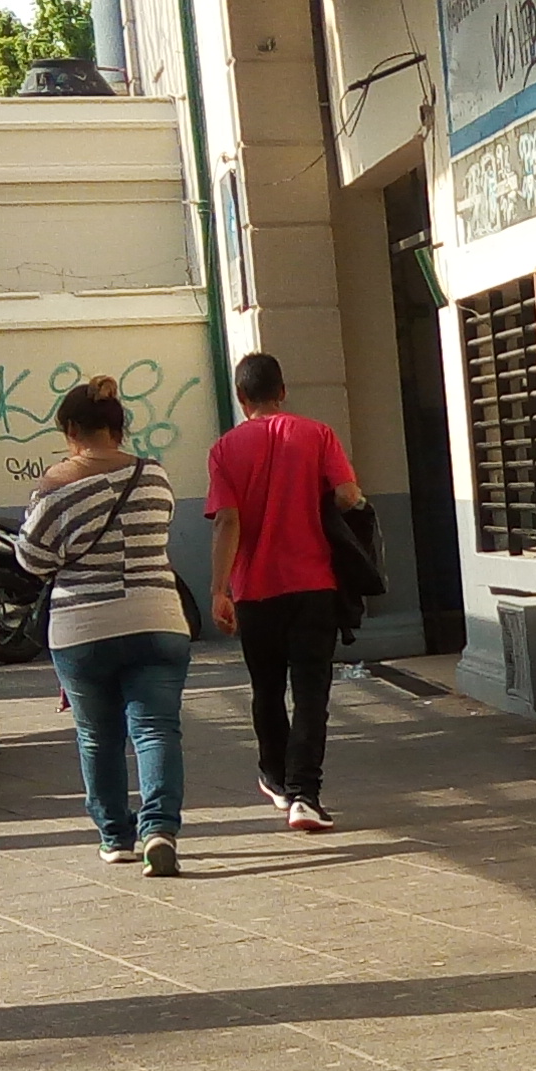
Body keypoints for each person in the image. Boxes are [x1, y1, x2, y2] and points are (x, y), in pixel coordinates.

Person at [19, 378, 189, 874]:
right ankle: (159, 829)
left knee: (98, 736)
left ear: (71, 429)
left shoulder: (56, 484)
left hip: (82, 628)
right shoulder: (153, 477)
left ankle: (116, 836)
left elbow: (31, 558)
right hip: (158, 617)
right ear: (119, 426)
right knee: (156, 729)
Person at [202, 351, 367, 832]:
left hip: (254, 590)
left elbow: (227, 521)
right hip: (314, 584)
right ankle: (305, 796)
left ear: (240, 397)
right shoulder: (318, 435)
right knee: (312, 690)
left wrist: (218, 589)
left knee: (267, 689)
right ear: (283, 390)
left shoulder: (224, 449)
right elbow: (347, 495)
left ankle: (274, 777)